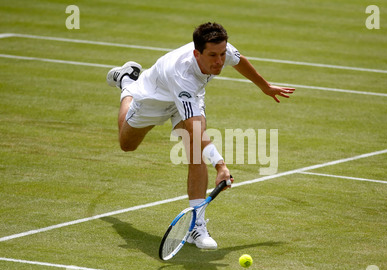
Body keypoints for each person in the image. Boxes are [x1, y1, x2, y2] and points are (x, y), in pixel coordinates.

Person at [106, 22, 294, 250]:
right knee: (127, 145)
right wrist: (221, 166)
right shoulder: (182, 74)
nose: (219, 61)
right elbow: (198, 130)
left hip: (191, 97)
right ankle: (127, 82)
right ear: (197, 54)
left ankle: (196, 226)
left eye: (222, 54)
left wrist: (265, 86)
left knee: (194, 150)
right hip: (153, 99)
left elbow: (239, 60)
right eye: (213, 55)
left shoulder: (221, 51)